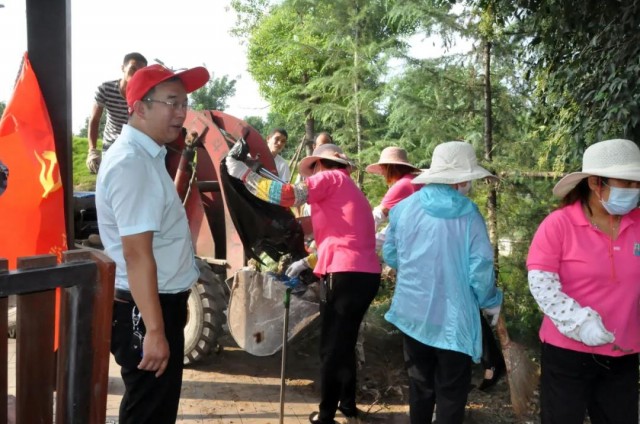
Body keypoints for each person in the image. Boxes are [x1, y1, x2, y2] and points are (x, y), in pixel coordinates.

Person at [225, 143, 381, 424]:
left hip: (344, 276)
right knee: (344, 343)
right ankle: (347, 406)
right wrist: (307, 262)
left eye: (313, 171)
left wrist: (244, 174)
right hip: (363, 276)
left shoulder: (330, 178)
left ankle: (325, 416)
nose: (312, 177)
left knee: (331, 347)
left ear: (320, 164)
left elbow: (288, 195)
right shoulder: (349, 189)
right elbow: (344, 239)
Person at [96, 63, 209, 423]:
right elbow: (137, 254)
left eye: (185, 104)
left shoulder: (147, 155)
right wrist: (156, 330)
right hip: (145, 308)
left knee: (147, 408)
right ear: (140, 107)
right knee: (150, 413)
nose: (181, 113)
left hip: (153, 304)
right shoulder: (132, 163)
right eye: (172, 102)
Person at [382, 141, 503, 424]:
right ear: (460, 180)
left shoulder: (403, 208)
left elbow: (391, 254)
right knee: (451, 392)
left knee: (420, 386)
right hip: (454, 320)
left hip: (413, 314)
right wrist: (490, 302)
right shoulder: (469, 214)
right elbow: (480, 268)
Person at [527, 138, 640, 424]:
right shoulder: (559, 225)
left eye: (637, 184)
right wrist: (580, 323)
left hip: (624, 350)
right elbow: (542, 283)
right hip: (567, 353)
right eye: (626, 183)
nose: (633, 190)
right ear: (594, 183)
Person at [86, 52, 148, 174]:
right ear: (123, 68)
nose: (136, 75)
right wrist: (92, 150)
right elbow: (94, 119)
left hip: (135, 145)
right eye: (133, 69)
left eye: (141, 72)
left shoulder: (145, 95)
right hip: (111, 145)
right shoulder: (105, 89)